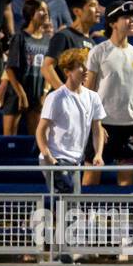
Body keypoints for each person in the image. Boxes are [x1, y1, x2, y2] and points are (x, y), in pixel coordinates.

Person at [84, 0, 133, 185]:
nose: (132, 21)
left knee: (126, 184)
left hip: (130, 126)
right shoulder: (98, 51)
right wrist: (96, 124)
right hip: (103, 125)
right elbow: (88, 91)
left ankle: (122, 216)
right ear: (112, 23)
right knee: (90, 180)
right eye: (126, 17)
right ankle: (85, 215)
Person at [36, 46, 105, 192]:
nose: (86, 69)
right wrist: (49, 158)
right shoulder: (55, 97)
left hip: (76, 160)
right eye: (80, 66)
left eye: (87, 65)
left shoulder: (93, 97)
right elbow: (41, 130)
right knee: (67, 200)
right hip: (56, 158)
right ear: (67, 72)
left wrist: (98, 154)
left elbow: (97, 129)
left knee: (71, 205)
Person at [0, 0, 49, 136]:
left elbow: (48, 69)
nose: (45, 13)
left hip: (37, 92)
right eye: (41, 10)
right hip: (17, 93)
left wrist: (44, 94)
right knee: (9, 139)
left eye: (46, 10)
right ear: (31, 14)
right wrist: (21, 94)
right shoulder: (20, 37)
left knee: (36, 139)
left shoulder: (47, 40)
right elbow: (10, 69)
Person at [42, 0, 98, 90]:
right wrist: (64, 92)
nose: (98, 10)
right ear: (77, 11)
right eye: (92, 5)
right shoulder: (63, 36)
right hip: (64, 102)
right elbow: (46, 67)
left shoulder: (93, 43)